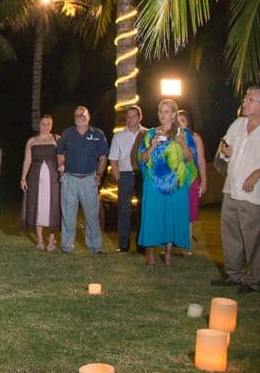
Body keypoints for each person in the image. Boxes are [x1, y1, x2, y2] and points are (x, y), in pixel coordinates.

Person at [211, 86, 260, 292]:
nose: (245, 102)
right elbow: (225, 148)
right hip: (231, 188)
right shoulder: (238, 124)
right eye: (246, 98)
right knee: (230, 235)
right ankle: (234, 274)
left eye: (250, 100)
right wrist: (225, 151)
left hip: (253, 194)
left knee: (253, 239)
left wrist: (257, 173)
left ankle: (256, 280)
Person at [137, 99, 197, 267]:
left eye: (166, 111)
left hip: (175, 184)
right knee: (152, 216)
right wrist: (152, 146)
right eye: (161, 111)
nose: (163, 115)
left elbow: (191, 159)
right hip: (153, 182)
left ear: (173, 114)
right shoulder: (150, 134)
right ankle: (150, 254)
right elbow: (142, 158)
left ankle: (168, 253)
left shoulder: (182, 134)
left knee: (171, 216)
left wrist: (183, 144)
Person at [55, 106, 109, 254]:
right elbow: (60, 153)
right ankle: (66, 246)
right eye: (77, 115)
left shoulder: (98, 134)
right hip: (70, 179)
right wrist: (61, 167)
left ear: (88, 116)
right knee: (68, 214)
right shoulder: (67, 133)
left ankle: (95, 247)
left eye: (82, 114)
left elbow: (103, 158)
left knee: (92, 215)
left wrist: (98, 175)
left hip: (89, 179)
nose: (79, 117)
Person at [108, 106, 146, 252]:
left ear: (140, 117)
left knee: (144, 209)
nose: (130, 119)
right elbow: (113, 160)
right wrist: (119, 178)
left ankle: (142, 245)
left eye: (133, 116)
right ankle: (123, 245)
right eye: (128, 116)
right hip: (125, 175)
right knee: (124, 211)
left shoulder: (147, 134)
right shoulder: (119, 136)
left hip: (142, 176)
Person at [20, 114, 60, 251]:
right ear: (39, 125)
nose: (45, 127)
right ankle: (40, 240)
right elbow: (27, 160)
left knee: (52, 206)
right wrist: (23, 178)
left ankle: (52, 240)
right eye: (43, 124)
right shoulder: (32, 141)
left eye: (48, 124)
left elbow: (62, 158)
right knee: (38, 206)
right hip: (35, 177)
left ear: (51, 126)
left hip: (53, 178)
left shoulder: (56, 139)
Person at [176, 109, 207, 255]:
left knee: (189, 213)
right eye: (177, 120)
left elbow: (200, 160)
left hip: (191, 179)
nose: (180, 124)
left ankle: (187, 245)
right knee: (175, 212)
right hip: (175, 181)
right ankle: (173, 244)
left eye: (183, 120)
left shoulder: (195, 138)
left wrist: (204, 181)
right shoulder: (171, 138)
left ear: (188, 122)